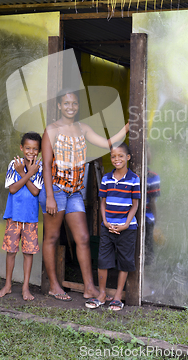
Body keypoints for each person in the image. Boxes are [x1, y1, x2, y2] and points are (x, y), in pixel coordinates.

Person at [40, 88, 129, 301]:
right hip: (56, 190)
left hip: (75, 193)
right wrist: (50, 196)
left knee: (83, 238)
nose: (70, 107)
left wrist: (126, 128)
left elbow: (107, 145)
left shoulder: (83, 128)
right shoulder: (51, 130)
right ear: (60, 106)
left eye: (74, 104)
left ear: (78, 106)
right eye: (66, 103)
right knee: (51, 237)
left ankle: (89, 287)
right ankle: (53, 285)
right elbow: (46, 165)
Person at [85, 142, 140, 311]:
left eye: (121, 156)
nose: (117, 159)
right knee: (103, 260)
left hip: (127, 229)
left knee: (124, 262)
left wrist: (124, 225)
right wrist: (106, 222)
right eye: (113, 156)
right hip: (107, 227)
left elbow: (135, 205)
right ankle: (101, 294)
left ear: (128, 157)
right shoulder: (106, 178)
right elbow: (102, 203)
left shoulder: (134, 179)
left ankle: (117, 297)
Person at [0, 132, 43, 301]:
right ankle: (7, 285)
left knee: (28, 253)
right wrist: (27, 173)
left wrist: (24, 173)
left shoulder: (40, 167)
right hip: (14, 216)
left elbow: (36, 191)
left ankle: (25, 287)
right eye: (28, 148)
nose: (31, 151)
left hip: (30, 218)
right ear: (21, 148)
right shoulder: (14, 164)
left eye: (35, 149)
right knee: (11, 251)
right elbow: (13, 189)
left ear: (40, 150)